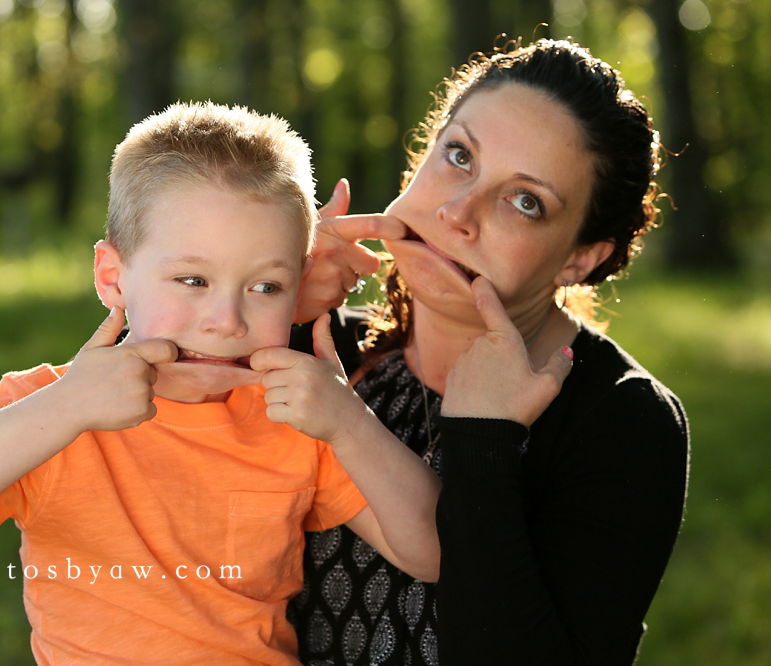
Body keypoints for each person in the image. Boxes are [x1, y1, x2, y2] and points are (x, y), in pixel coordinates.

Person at [0, 102, 452, 665]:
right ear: (112, 277)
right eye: (192, 279)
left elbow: (436, 554)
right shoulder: (54, 410)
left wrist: (350, 420)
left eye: (265, 287)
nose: (226, 320)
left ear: (298, 288)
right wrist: (66, 407)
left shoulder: (297, 417)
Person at [287, 39, 690, 665]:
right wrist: (256, 298)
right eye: (458, 156)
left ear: (581, 257)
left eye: (525, 201)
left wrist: (482, 443)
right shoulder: (321, 342)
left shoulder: (621, 419)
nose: (455, 212)